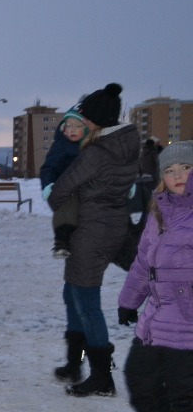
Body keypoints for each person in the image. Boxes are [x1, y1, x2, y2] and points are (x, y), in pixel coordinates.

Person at [48, 82, 140, 396]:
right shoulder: (128, 144)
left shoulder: (97, 152)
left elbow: (61, 190)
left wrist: (62, 200)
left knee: (86, 303)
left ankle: (101, 377)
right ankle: (75, 363)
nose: (82, 121)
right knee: (72, 294)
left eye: (86, 117)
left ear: (96, 120)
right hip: (113, 225)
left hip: (91, 231)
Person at [116, 141, 193, 412]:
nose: (178, 176)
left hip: (187, 323)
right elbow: (143, 262)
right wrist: (128, 301)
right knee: (140, 378)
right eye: (170, 170)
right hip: (156, 318)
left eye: (186, 168)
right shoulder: (159, 210)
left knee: (185, 397)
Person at [40, 109, 88, 258]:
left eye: (78, 126)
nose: (72, 130)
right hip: (67, 187)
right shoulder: (61, 146)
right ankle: (61, 242)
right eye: (69, 126)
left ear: (86, 130)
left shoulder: (93, 146)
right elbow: (49, 167)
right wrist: (48, 185)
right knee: (67, 207)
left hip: (89, 187)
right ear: (63, 128)